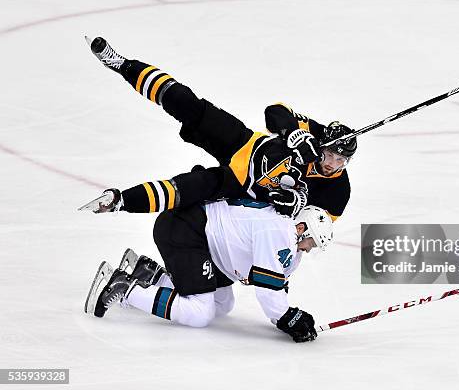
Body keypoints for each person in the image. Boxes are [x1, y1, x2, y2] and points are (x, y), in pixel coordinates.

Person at [85, 36, 356, 220]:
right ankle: (122, 65)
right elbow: (274, 112)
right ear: (324, 145)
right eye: (331, 155)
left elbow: (314, 227)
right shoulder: (316, 133)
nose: (333, 164)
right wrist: (294, 133)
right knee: (185, 103)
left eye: (341, 160)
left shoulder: (339, 192)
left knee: (189, 188)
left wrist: (295, 208)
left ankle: (120, 201)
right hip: (245, 144)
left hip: (243, 188)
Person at [85, 201, 333, 343]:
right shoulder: (279, 231)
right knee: (200, 313)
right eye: (313, 242)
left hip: (209, 247)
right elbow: (268, 291)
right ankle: (123, 287)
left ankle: (150, 274)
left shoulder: (292, 248)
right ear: (303, 227)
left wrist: (285, 319)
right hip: (188, 230)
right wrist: (287, 317)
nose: (311, 250)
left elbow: (277, 287)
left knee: (222, 304)